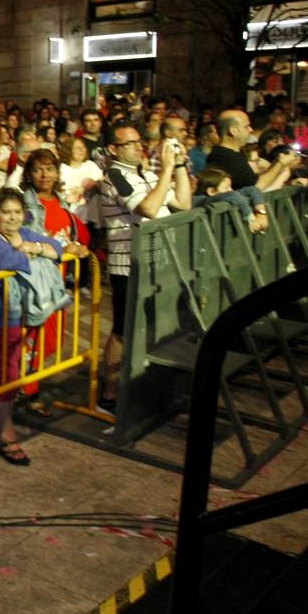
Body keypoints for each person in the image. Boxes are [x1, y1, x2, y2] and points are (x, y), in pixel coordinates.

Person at [96, 124, 192, 409]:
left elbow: (184, 203)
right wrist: (165, 171)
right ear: (114, 149)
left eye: (140, 142)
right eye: (130, 144)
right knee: (123, 329)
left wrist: (180, 164)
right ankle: (109, 393)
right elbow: (148, 209)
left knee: (151, 325)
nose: (139, 147)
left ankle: (137, 381)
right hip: (129, 264)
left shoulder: (147, 174)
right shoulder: (114, 177)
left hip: (158, 260)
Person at [0, 188, 63, 465]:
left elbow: (56, 247)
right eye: (6, 212)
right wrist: (37, 254)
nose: (13, 218)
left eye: (18, 212)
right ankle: (5, 432)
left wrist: (35, 248)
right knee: (5, 372)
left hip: (6, 312)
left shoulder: (21, 235)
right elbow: (10, 261)